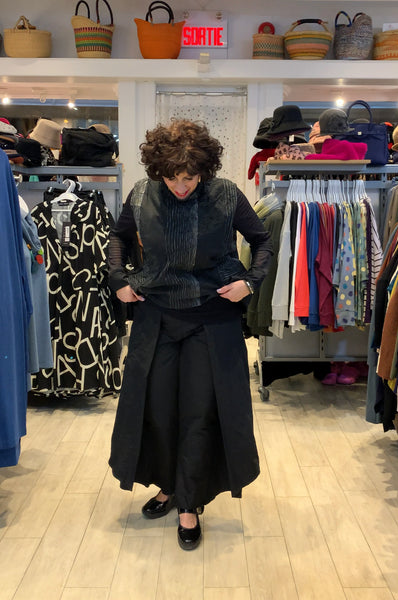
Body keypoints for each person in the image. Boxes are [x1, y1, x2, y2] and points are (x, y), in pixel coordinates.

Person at [108, 118, 272, 551]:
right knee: (158, 409)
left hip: (212, 317)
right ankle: (169, 485)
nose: (181, 186)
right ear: (157, 171)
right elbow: (118, 238)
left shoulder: (226, 194)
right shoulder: (141, 194)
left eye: (189, 177)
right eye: (171, 178)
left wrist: (250, 281)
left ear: (204, 170)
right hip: (156, 316)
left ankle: (189, 501)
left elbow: (263, 241)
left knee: (199, 411)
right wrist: (118, 279)